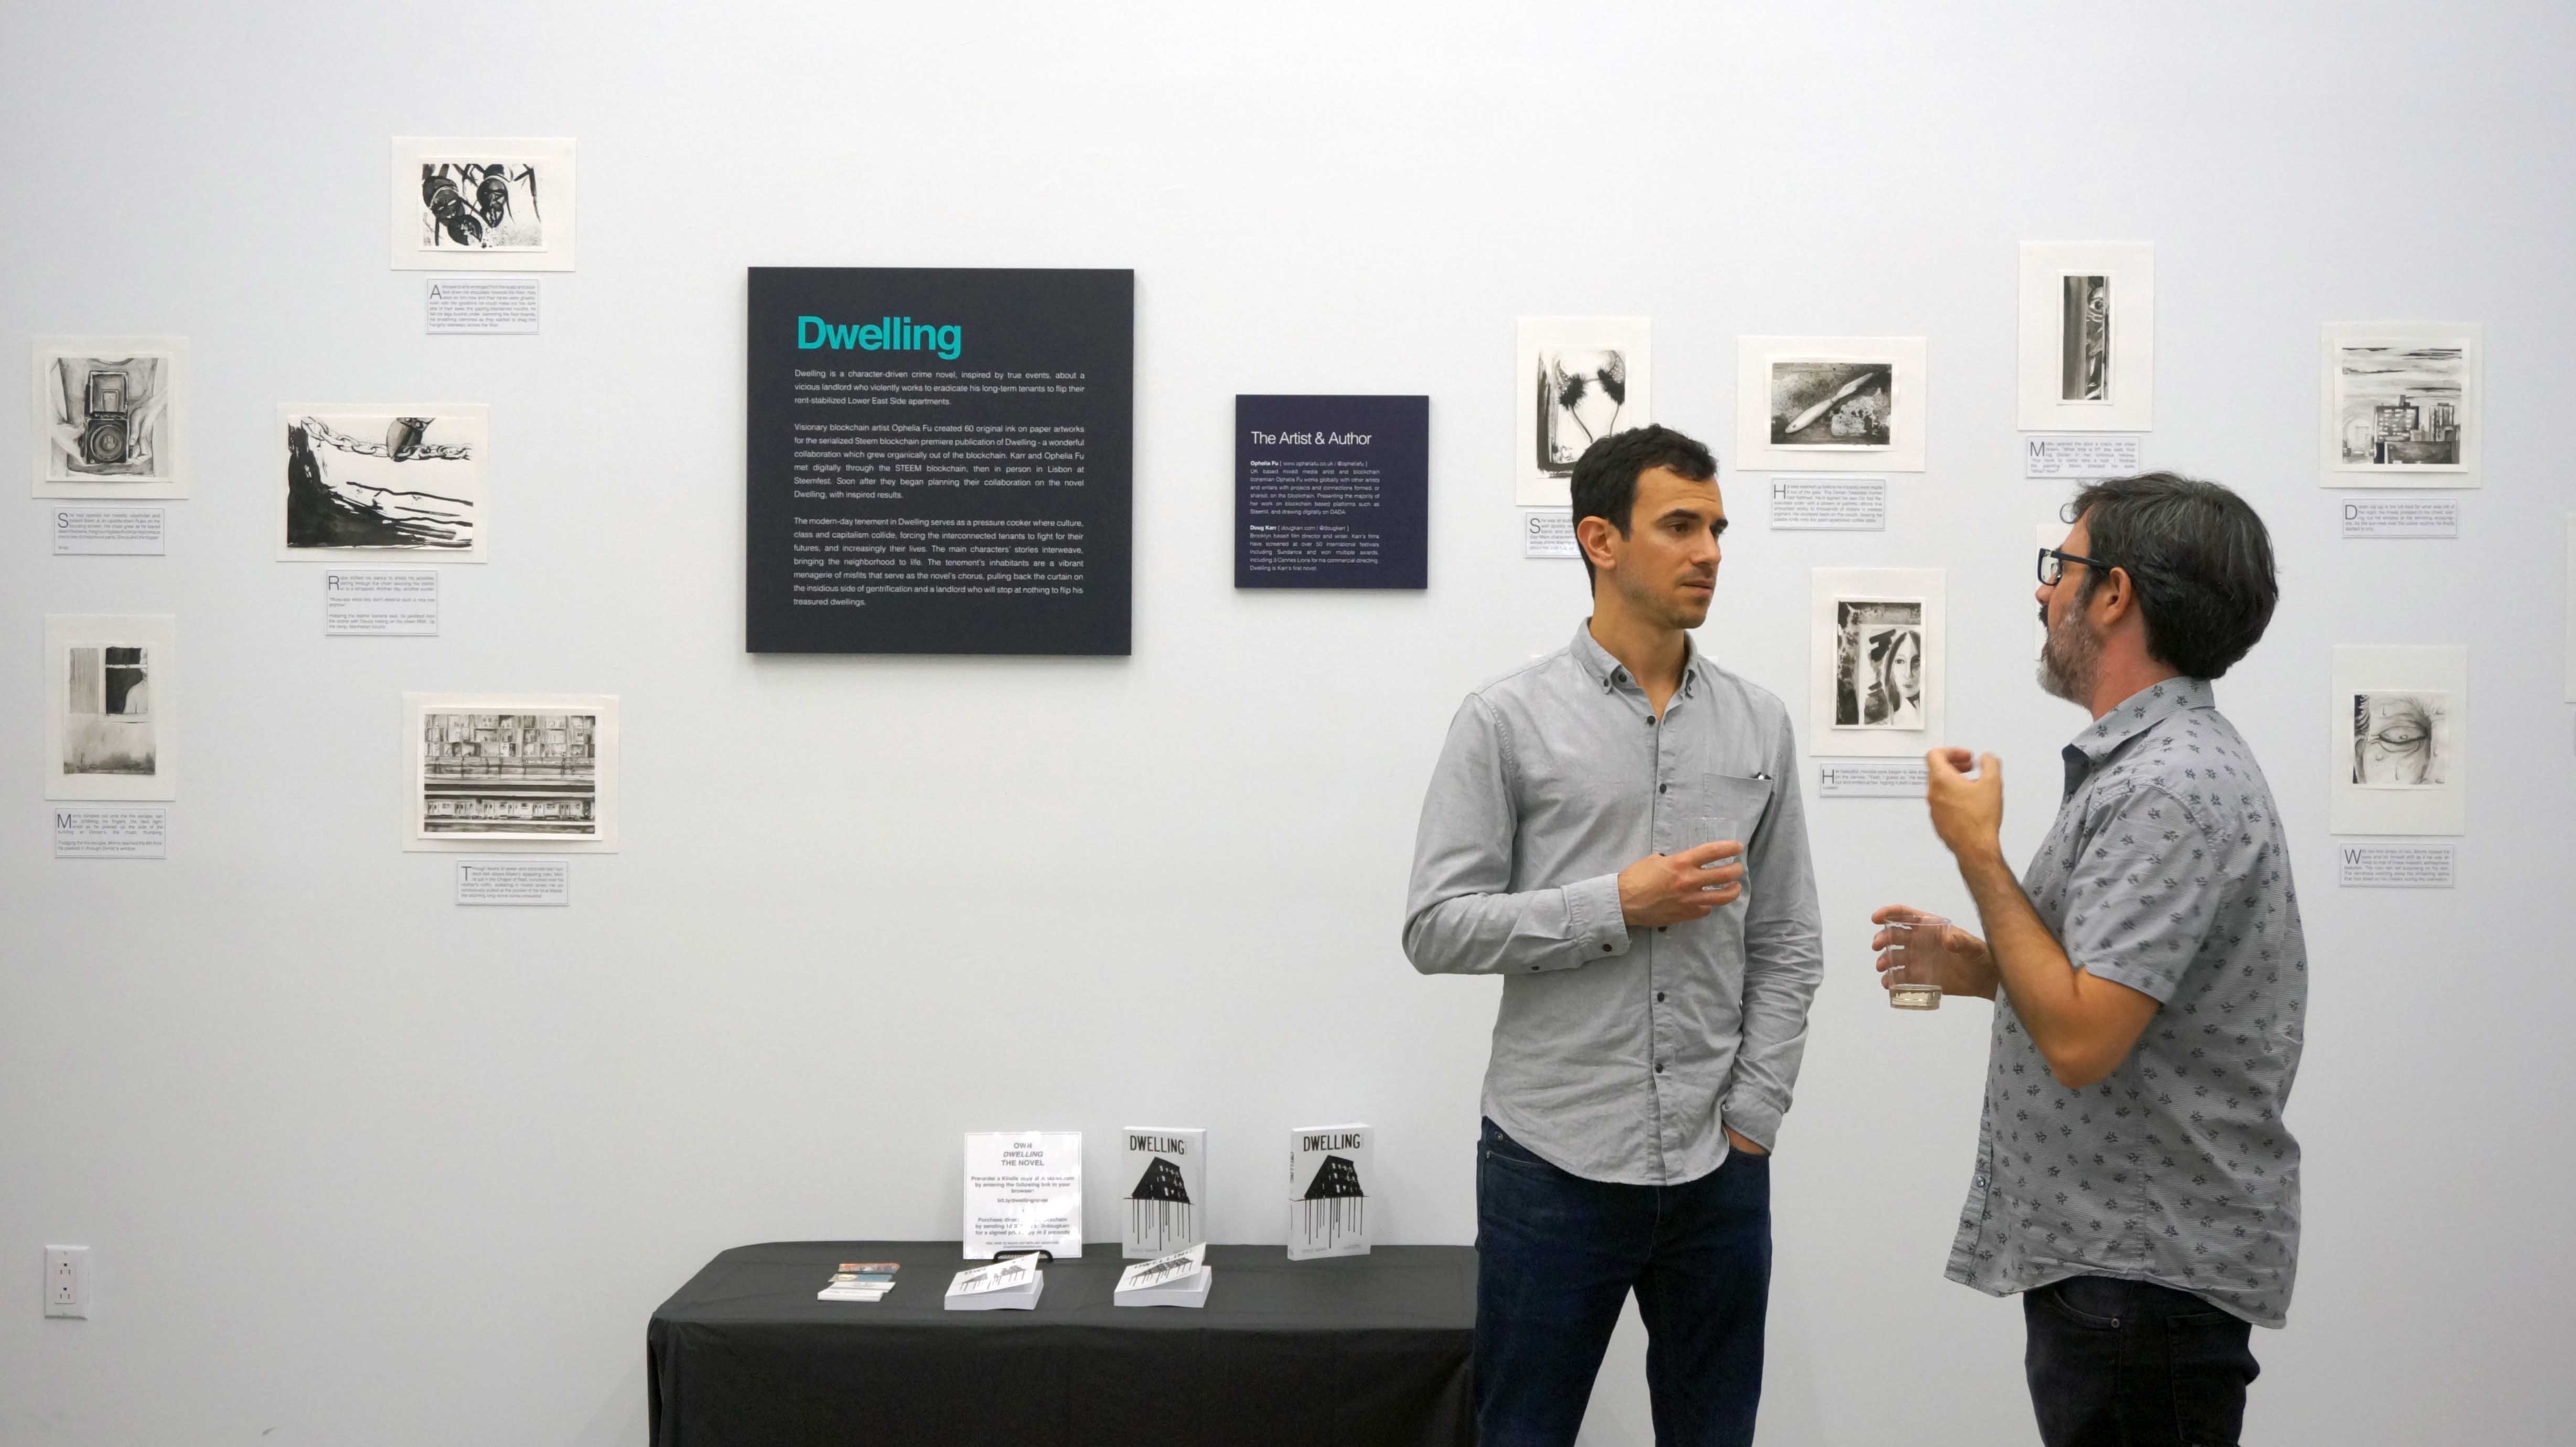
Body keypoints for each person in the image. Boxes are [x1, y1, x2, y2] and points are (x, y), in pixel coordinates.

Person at [1404, 425, 1822, 1447]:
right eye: (1679, 526)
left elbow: (1787, 938)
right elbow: (1436, 927)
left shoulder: (1759, 723)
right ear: (1600, 539)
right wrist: (1613, 906)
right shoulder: (1503, 721)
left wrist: (1753, 1116)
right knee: (1522, 1433)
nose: (1709, 552)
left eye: (1716, 529)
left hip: (1717, 1164)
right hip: (1551, 1160)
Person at [1872, 472, 2305, 1447]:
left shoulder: (2166, 789)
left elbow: (2081, 1041)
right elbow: (2119, 996)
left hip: (2141, 1280)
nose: (2042, 591)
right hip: (2127, 1271)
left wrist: (1978, 853)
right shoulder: (2162, 768)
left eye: (2059, 568)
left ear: (2113, 595)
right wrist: (1986, 968)